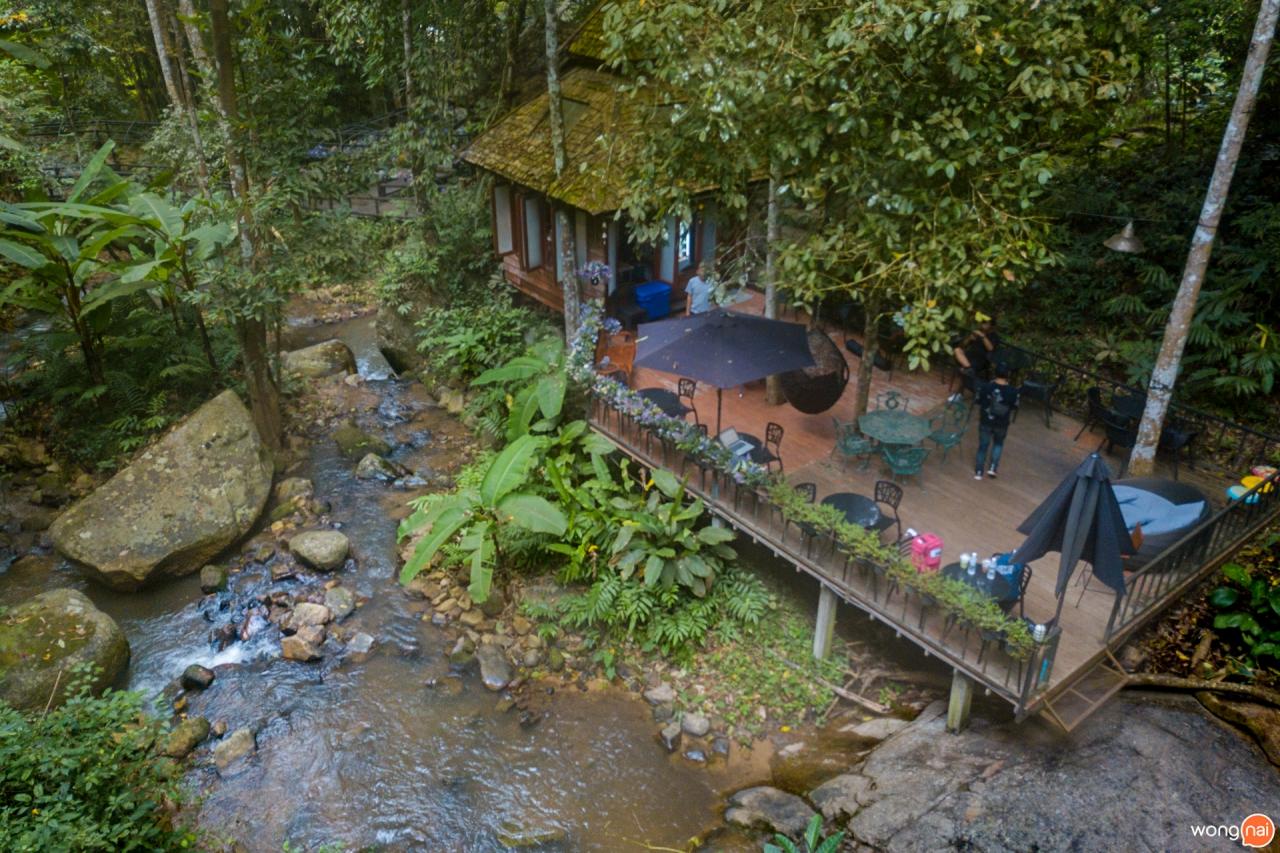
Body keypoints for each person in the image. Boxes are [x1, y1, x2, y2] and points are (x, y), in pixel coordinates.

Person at [974, 362, 1019, 480]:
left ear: (995, 373)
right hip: (1002, 424)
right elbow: (1015, 406)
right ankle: (993, 468)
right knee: (998, 444)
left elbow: (978, 400)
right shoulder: (1013, 391)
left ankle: (979, 471)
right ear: (1008, 375)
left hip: (986, 421)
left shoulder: (985, 387)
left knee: (983, 446)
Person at [950, 316, 998, 397]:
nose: (983, 324)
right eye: (982, 322)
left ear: (991, 326)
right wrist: (970, 338)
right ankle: (968, 368)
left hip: (980, 360)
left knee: (964, 370)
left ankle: (959, 393)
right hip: (967, 358)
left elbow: (990, 348)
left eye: (986, 323)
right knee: (957, 350)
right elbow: (964, 345)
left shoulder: (994, 336)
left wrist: (982, 336)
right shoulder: (977, 332)